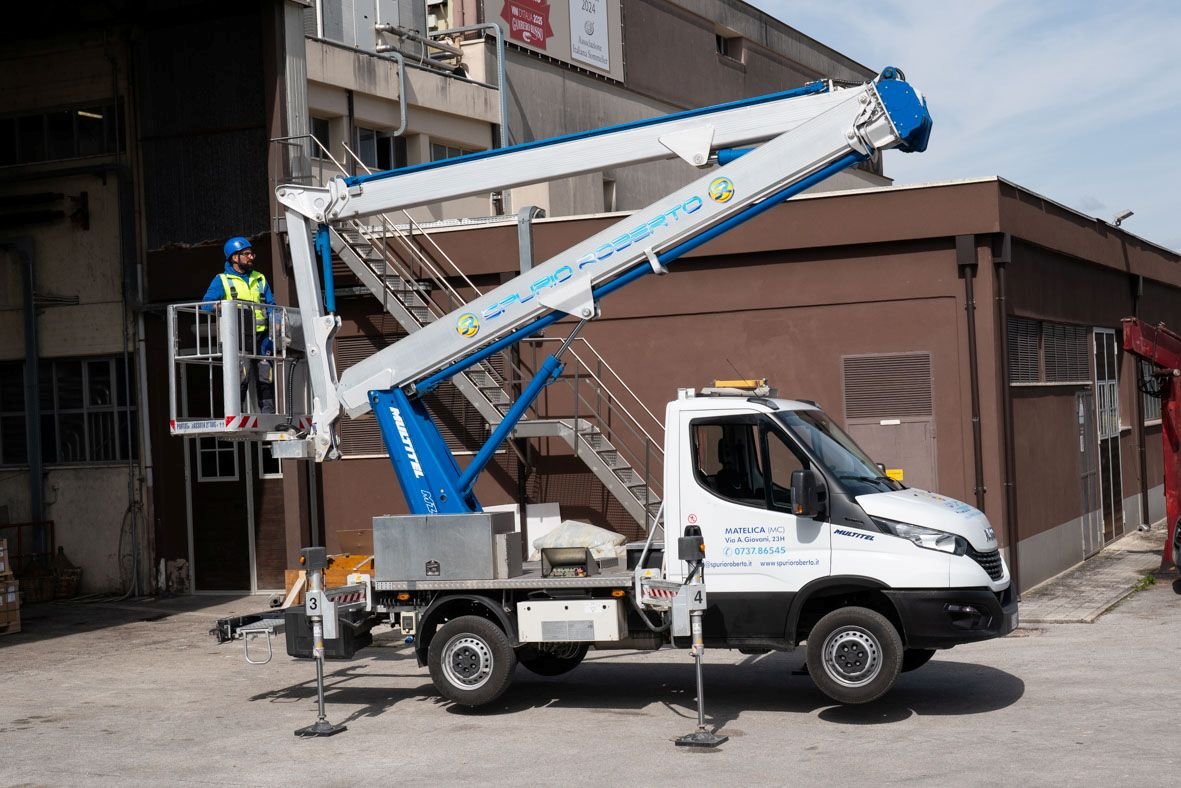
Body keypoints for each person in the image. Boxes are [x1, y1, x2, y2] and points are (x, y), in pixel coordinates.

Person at [202, 236, 276, 414]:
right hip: (238, 337)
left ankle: (268, 413)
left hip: (262, 337)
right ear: (235, 257)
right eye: (247, 254)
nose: (251, 257)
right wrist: (221, 306)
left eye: (252, 254)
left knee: (265, 376)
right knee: (241, 376)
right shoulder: (222, 280)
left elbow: (271, 305)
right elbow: (206, 304)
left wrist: (277, 321)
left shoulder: (260, 278)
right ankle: (235, 414)